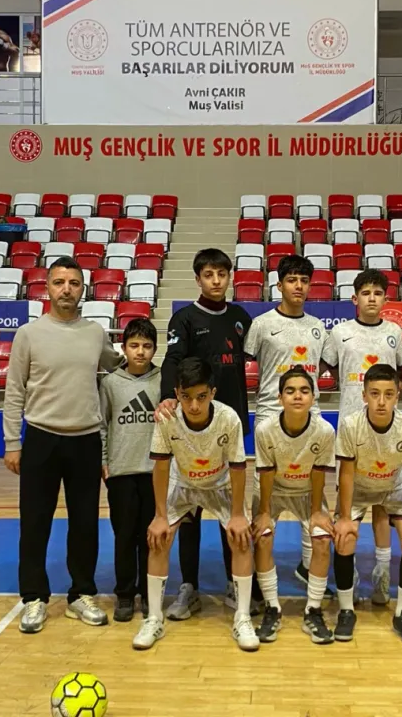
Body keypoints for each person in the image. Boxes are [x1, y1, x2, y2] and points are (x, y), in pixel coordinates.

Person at [3, 257, 124, 634]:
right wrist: (12, 441)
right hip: (41, 438)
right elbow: (14, 390)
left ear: (82, 288)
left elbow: (119, 365)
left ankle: (81, 594)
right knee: (34, 522)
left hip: (86, 439)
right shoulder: (29, 334)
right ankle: (34, 597)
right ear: (47, 288)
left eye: (73, 282)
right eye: (59, 282)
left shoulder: (95, 333)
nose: (66, 289)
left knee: (85, 523)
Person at [156, 248, 258, 620]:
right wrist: (169, 397)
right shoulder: (184, 319)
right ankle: (189, 587)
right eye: (209, 275)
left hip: (230, 427)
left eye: (222, 274)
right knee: (190, 512)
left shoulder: (240, 318)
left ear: (229, 277)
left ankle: (234, 582)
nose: (216, 281)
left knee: (231, 510)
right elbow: (171, 360)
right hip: (193, 426)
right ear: (198, 279)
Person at [133, 357, 257, 652]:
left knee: (241, 538)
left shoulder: (229, 418)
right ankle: (154, 618)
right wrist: (159, 515)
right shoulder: (167, 419)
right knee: (159, 538)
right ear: (177, 393)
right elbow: (161, 467)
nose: (194, 405)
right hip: (183, 484)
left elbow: (238, 468)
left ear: (212, 393)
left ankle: (242, 617)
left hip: (220, 484)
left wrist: (238, 515)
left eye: (201, 397)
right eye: (186, 397)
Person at [320, 269, 402, 606]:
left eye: (378, 293)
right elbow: (327, 368)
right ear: (355, 298)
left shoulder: (394, 332)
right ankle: (351, 574)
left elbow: (400, 375)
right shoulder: (340, 332)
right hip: (351, 430)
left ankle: (382, 573)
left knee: (383, 504)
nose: (372, 298)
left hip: (386, 430)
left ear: (386, 298)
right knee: (347, 506)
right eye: (366, 293)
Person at [243, 255, 330, 589]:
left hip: (311, 418)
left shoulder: (318, 327)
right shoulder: (262, 324)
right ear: (279, 285)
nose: (298, 286)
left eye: (304, 281)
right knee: (265, 492)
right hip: (269, 414)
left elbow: (327, 367)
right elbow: (243, 363)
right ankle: (259, 571)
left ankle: (309, 567)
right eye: (292, 280)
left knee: (312, 491)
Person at [332, 364, 402, 644]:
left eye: (388, 394)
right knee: (345, 538)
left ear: (397, 396)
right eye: (374, 394)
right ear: (364, 396)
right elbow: (345, 473)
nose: (381, 401)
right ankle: (346, 611)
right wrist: (345, 518)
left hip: (393, 487)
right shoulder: (351, 425)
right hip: (359, 487)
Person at [251, 368, 337, 644]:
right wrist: (264, 513)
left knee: (321, 539)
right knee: (263, 537)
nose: (297, 396)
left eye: (304, 390)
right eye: (290, 391)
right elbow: (266, 473)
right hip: (273, 490)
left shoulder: (324, 430)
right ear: (280, 398)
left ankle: (313, 610)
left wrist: (316, 512)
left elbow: (319, 473)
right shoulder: (265, 429)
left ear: (313, 397)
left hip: (307, 491)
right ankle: (272, 608)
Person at [99, 318, 160, 623]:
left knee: (151, 538)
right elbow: (102, 424)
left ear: (155, 350)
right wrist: (103, 460)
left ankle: (149, 593)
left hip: (154, 473)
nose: (140, 352)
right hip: (121, 472)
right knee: (124, 537)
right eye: (134, 345)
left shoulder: (163, 381)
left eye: (147, 346)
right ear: (123, 348)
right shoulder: (110, 383)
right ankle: (124, 594)